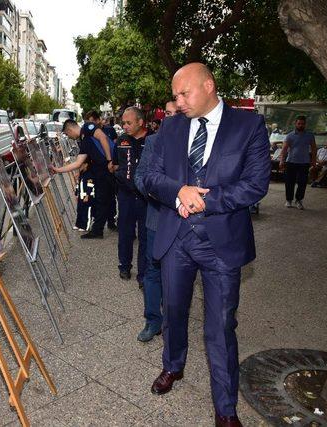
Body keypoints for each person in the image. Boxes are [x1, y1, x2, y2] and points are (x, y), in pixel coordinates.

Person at [144, 63, 269, 427]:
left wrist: (207, 200)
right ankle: (173, 366)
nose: (177, 101)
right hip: (176, 239)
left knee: (220, 326)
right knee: (174, 312)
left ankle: (226, 408)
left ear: (209, 85)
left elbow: (256, 184)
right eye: (176, 95)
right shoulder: (170, 127)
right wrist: (177, 191)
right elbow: (149, 176)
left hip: (222, 243)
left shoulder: (248, 126)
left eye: (184, 94)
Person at [133, 100, 179, 342]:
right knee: (153, 270)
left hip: (183, 221)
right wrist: (151, 191)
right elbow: (140, 176)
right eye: (167, 114)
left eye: (175, 113)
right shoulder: (152, 142)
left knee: (178, 273)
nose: (170, 118)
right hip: (156, 218)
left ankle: (175, 322)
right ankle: (153, 320)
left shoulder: (194, 143)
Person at [51, 119, 114, 239]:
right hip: (102, 172)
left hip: (107, 169)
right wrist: (58, 170)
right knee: (105, 198)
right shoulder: (84, 141)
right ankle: (101, 228)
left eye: (67, 134)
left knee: (104, 199)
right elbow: (77, 163)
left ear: (69, 129)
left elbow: (103, 138)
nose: (69, 137)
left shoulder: (87, 127)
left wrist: (109, 160)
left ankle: (99, 230)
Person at [113, 107, 148, 283]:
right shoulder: (120, 141)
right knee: (125, 233)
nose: (125, 126)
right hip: (125, 195)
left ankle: (143, 275)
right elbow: (113, 164)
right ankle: (124, 267)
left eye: (129, 123)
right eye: (123, 123)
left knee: (145, 236)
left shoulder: (152, 140)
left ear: (140, 122)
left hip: (146, 198)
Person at [86, 110, 117, 230]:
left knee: (110, 197)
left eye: (92, 121)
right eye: (88, 122)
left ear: (98, 120)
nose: (90, 124)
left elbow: (114, 146)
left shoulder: (108, 130)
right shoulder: (90, 133)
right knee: (101, 197)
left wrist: (112, 162)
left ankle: (111, 222)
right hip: (98, 168)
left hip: (109, 167)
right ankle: (99, 224)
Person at [279, 116, 316, 210]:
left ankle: (299, 200)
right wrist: (282, 160)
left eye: (302, 123)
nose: (300, 125)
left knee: (302, 183)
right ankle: (289, 200)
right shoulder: (290, 135)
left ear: (305, 124)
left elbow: (314, 149)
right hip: (291, 162)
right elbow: (284, 149)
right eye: (299, 123)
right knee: (289, 183)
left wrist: (314, 161)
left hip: (304, 163)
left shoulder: (310, 135)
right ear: (295, 124)